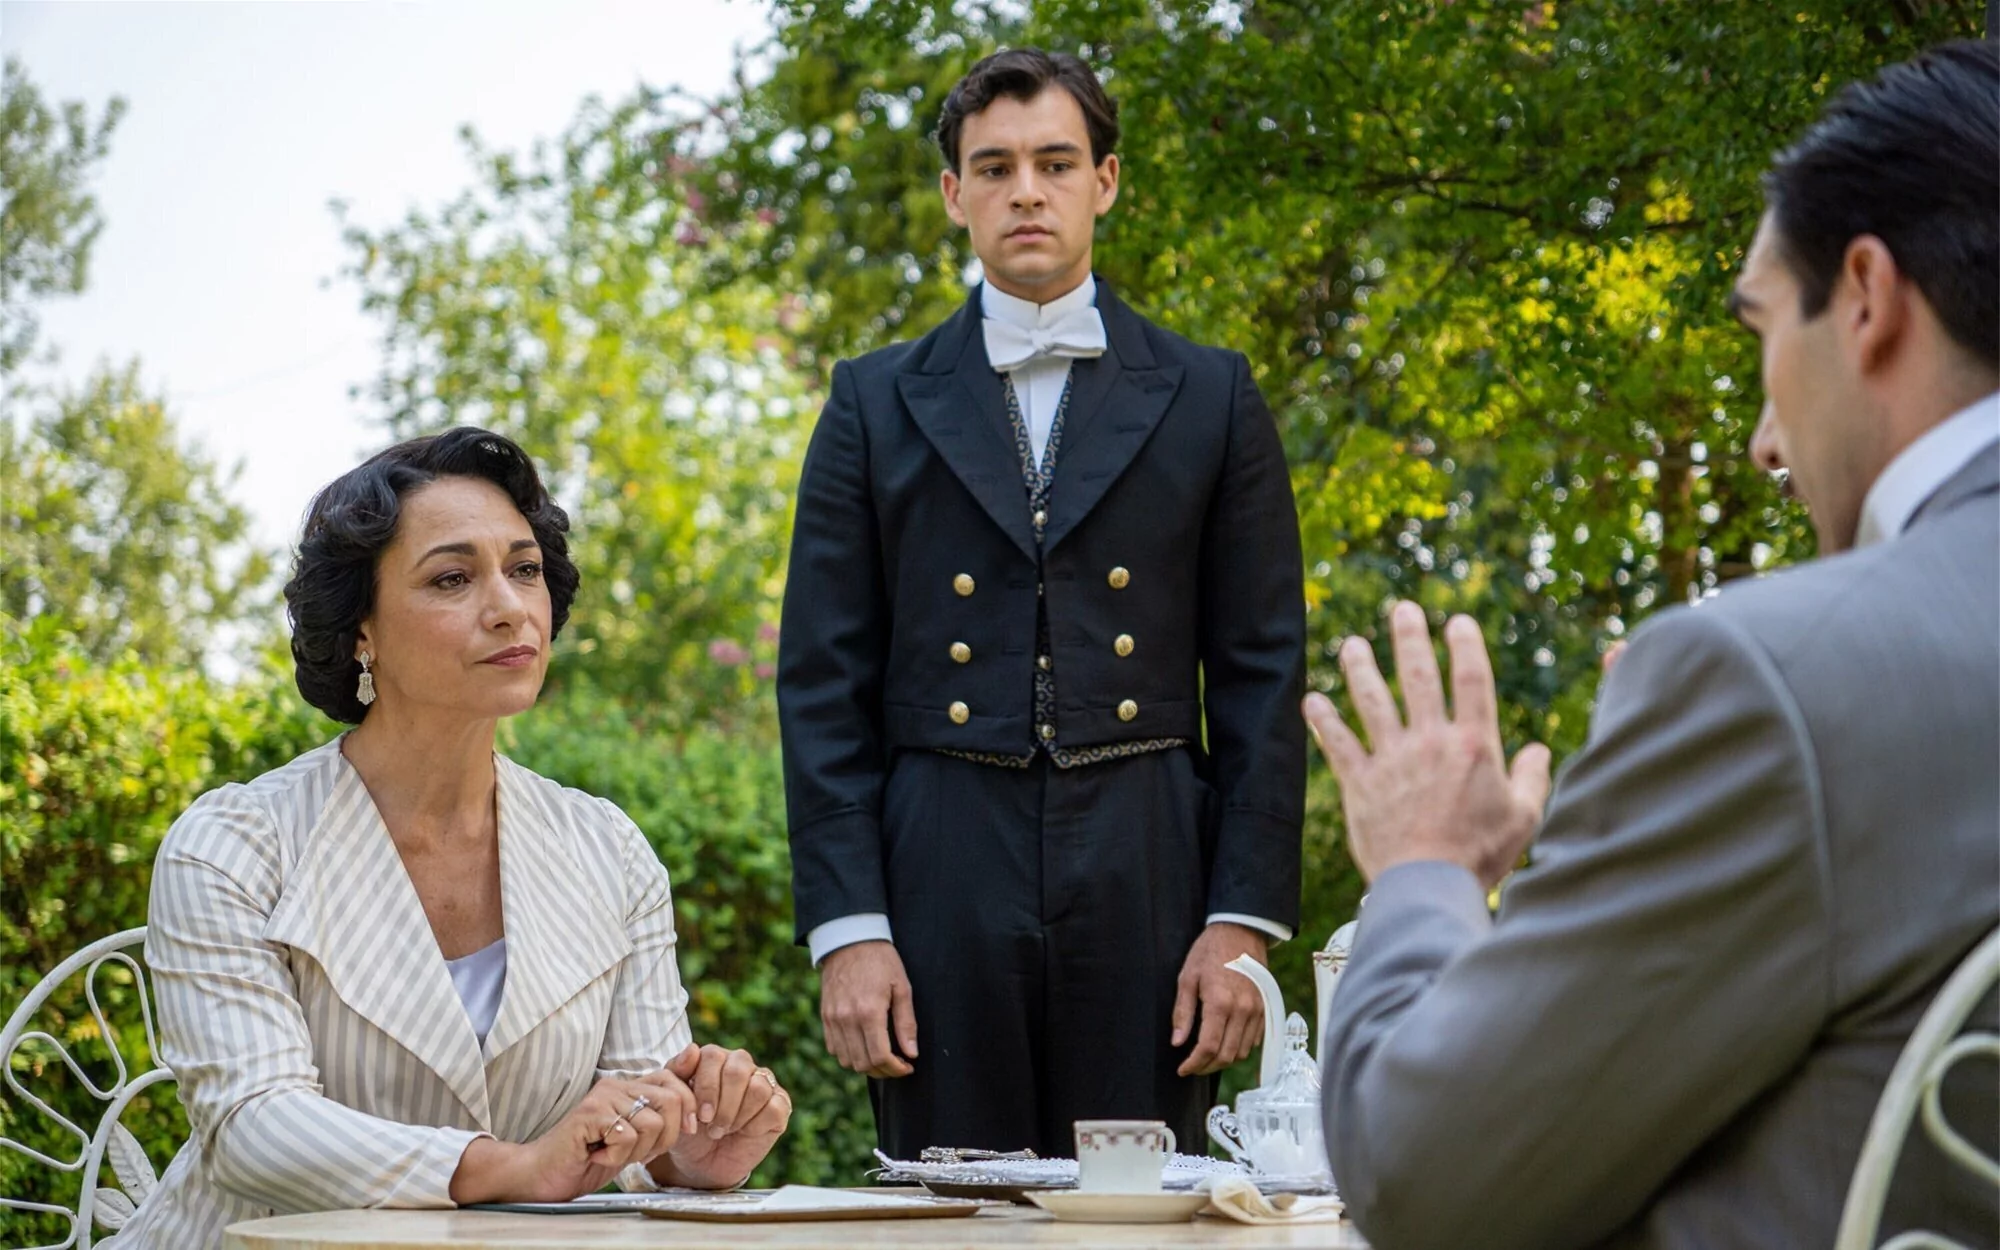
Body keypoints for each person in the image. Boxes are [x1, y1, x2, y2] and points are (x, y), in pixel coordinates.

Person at [1302, 39, 1998, 1250]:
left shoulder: (1774, 681)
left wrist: (1425, 864)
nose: (1763, 442)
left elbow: (1426, 1180)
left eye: (1761, 329)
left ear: (1866, 298)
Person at [777, 48, 1306, 1157]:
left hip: (1149, 854)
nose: (1026, 190)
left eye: (1055, 163)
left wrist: (1242, 921)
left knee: (1138, 1213)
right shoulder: (872, 401)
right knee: (951, 1203)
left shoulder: (1211, 394)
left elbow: (1261, 676)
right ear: (953, 192)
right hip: (939, 856)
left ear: (1103, 182)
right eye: (995, 167)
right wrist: (848, 927)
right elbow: (822, 684)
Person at [111, 428, 790, 1248]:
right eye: (452, 579)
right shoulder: (232, 846)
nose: (509, 607)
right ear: (360, 630)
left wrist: (687, 1154)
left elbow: (630, 1117)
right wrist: (510, 1167)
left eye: (525, 570)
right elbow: (253, 1126)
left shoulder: (609, 851)